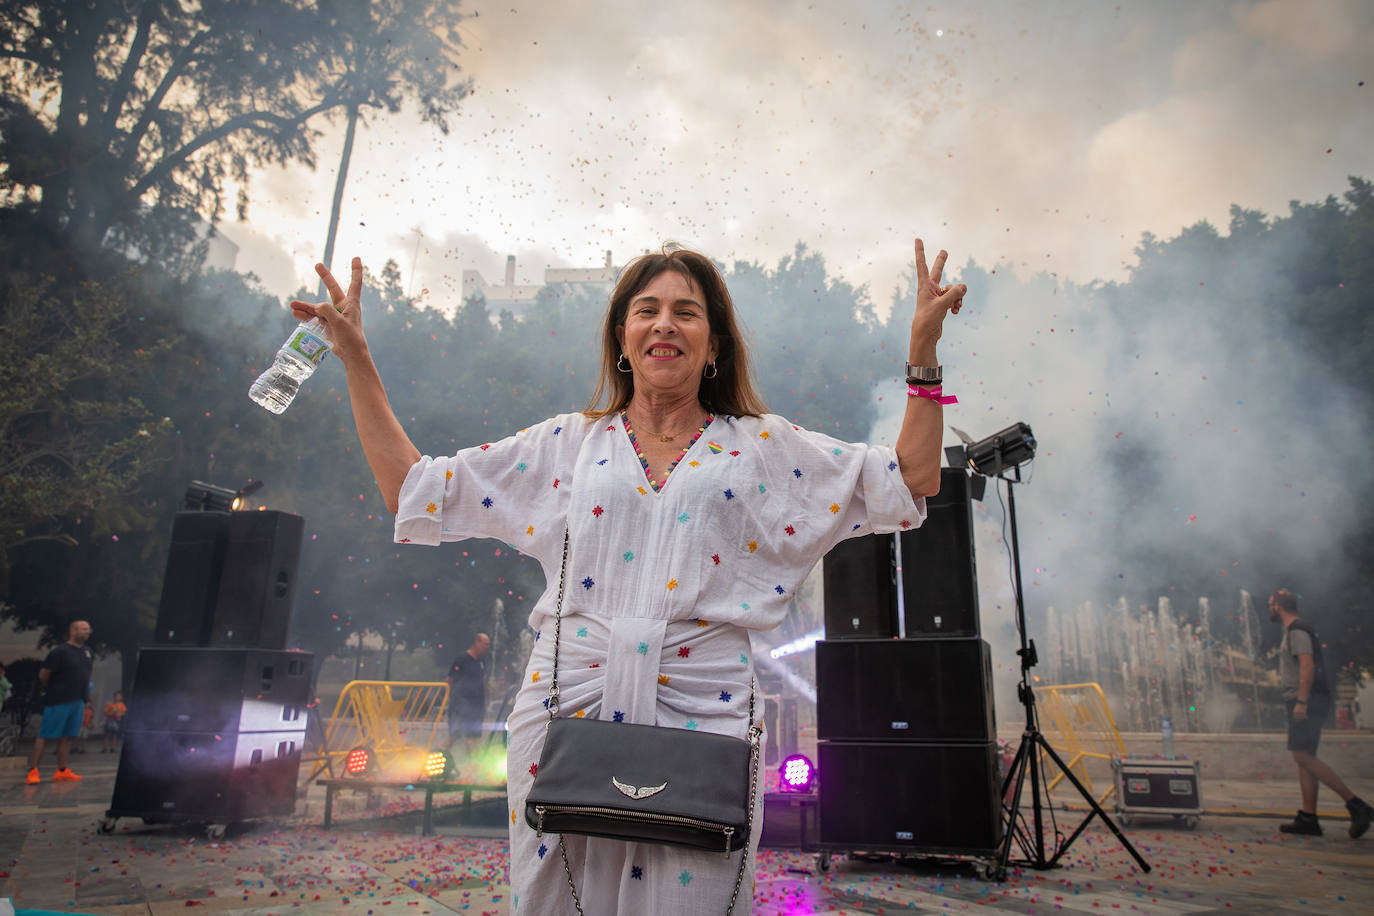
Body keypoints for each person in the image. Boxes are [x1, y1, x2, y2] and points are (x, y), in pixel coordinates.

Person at [290, 239, 962, 914]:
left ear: (715, 344)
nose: (665, 323)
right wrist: (357, 359)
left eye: (686, 312)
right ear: (622, 336)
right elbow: (415, 488)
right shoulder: (567, 446)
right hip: (564, 714)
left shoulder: (762, 446)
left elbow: (910, 477)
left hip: (703, 720)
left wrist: (923, 350)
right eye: (647, 310)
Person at [1269, 589, 1374, 838]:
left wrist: (1302, 701)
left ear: (1279, 606)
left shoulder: (1297, 630)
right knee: (1305, 758)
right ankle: (1308, 817)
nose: (1269, 609)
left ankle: (1357, 806)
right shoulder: (1296, 630)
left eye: (1270, 605)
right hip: (1306, 698)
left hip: (1306, 698)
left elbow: (1307, 663)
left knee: (1302, 756)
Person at [25, 620, 94, 784]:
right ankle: (33, 771)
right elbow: (44, 675)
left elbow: (85, 675)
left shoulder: (88, 652)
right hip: (59, 700)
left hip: (78, 700)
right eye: (83, 629)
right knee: (46, 735)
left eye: (88, 629)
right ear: (73, 631)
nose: (87, 632)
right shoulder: (60, 652)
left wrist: (87, 698)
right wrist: (55, 689)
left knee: (68, 736)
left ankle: (62, 770)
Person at [445, 632, 492, 760]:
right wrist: (454, 700)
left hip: (476, 705)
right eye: (485, 644)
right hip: (461, 704)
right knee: (456, 735)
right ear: (476, 642)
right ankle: (437, 757)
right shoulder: (462, 659)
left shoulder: (481, 661)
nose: (487, 647)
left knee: (474, 737)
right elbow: (450, 679)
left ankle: (471, 765)